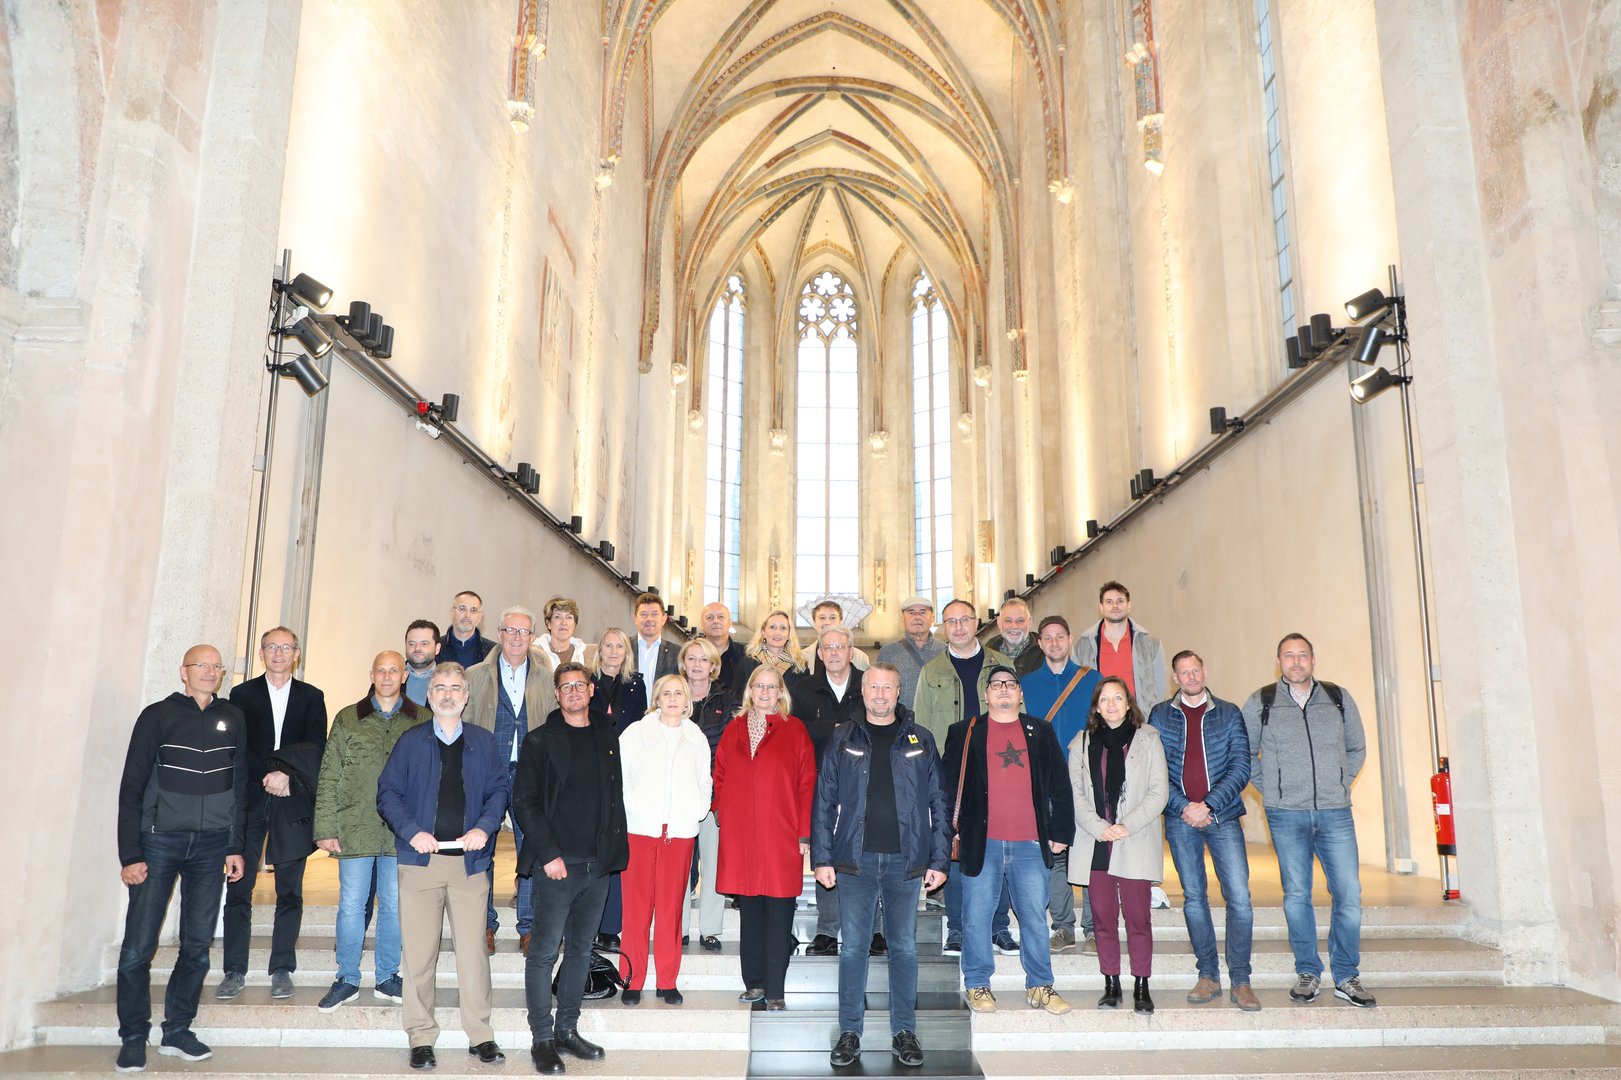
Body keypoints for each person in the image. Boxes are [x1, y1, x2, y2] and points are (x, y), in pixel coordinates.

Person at [113, 645, 247, 1073]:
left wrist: (235, 845)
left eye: (216, 666)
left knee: (197, 945)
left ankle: (177, 1030)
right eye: (200, 665)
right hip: (159, 842)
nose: (209, 672)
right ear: (183, 672)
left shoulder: (233, 717)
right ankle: (133, 1036)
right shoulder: (157, 716)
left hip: (212, 846)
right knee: (138, 946)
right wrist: (130, 853)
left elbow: (240, 785)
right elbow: (132, 785)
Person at [813, 664, 948, 1070]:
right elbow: (824, 800)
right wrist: (822, 857)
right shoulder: (843, 737)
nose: (880, 694)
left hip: (906, 863)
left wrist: (939, 858)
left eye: (888, 687)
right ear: (864, 690)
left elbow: (939, 802)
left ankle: (903, 1031)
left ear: (898, 691)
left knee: (903, 947)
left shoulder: (920, 738)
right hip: (855, 861)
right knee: (853, 948)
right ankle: (849, 1033)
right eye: (874, 687)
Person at [376, 662, 509, 1070]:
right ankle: (420, 1036)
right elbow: (388, 794)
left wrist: (485, 828)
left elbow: (499, 790)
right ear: (429, 696)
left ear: (466, 697)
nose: (448, 695)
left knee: (473, 954)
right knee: (419, 955)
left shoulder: (484, 742)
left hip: (469, 866)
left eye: (455, 688)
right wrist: (411, 831)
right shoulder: (410, 742)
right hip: (421, 865)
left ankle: (480, 1035)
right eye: (440, 688)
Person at [1242, 633, 1375, 1008]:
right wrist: (1272, 790)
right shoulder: (1262, 701)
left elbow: (1356, 747)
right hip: (1286, 814)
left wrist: (1341, 782)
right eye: (1289, 655)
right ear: (1278, 662)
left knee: (1349, 894)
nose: (1296, 662)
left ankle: (1346, 975)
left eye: (1303, 655)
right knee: (1297, 895)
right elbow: (1245, 752)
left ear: (1313, 660)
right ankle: (1308, 972)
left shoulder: (1337, 698)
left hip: (1335, 812)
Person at [513, 662, 630, 1074]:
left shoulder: (606, 735)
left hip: (598, 866)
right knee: (544, 953)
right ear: (557, 694)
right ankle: (542, 1038)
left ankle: (567, 1029)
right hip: (557, 867)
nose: (574, 692)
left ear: (591, 690)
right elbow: (524, 802)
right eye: (566, 687)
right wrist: (548, 855)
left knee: (580, 950)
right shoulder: (539, 740)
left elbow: (614, 797)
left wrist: (610, 856)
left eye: (580, 685)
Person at [944, 665, 1073, 1015]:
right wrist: (948, 832)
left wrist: (1061, 832)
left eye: (1010, 684)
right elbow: (946, 788)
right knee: (976, 917)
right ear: (986, 695)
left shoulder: (1041, 731)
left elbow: (1060, 786)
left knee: (1034, 917)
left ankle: (1040, 985)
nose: (1003, 689)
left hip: (1030, 843)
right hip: (981, 842)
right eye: (996, 684)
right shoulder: (964, 732)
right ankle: (977, 984)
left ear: (1020, 693)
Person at [217, 627, 329, 1003]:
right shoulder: (242, 695)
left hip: (292, 799)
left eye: (285, 647)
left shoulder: (312, 697)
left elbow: (316, 747)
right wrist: (267, 775)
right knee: (239, 887)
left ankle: (282, 968)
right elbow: (238, 746)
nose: (278, 653)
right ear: (261, 653)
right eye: (271, 647)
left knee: (290, 890)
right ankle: (234, 969)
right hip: (250, 798)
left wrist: (287, 776)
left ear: (296, 653)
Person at [312, 651, 422, 1011]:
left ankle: (388, 976)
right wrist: (325, 826)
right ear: (371, 675)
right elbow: (329, 774)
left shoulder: (421, 719)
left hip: (400, 831)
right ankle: (347, 977)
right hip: (354, 827)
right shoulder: (349, 718)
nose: (387, 676)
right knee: (351, 905)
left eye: (394, 670)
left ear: (404, 675)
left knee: (394, 905)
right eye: (381, 670)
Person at [1148, 651, 1259, 1011]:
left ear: (1204, 672)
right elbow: (1155, 770)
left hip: (1222, 816)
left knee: (1239, 897)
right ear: (1175, 678)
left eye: (1195, 670)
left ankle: (1241, 980)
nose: (1191, 677)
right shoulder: (1160, 715)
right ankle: (1208, 975)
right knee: (1195, 898)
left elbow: (1241, 765)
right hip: (1180, 820)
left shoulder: (1229, 713)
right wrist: (1184, 807)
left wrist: (1208, 805)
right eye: (1184, 673)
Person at [713, 665, 816, 1011]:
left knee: (779, 913)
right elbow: (720, 774)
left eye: (772, 687)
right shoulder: (734, 728)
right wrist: (721, 811)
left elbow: (806, 783)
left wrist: (804, 832)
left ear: (781, 692)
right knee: (751, 912)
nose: (765, 692)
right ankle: (754, 982)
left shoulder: (795, 729)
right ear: (750, 690)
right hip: (741, 834)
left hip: (781, 834)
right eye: (759, 686)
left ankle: (776, 990)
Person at [913, 599, 1012, 954]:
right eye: (951, 621)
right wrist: (927, 775)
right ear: (943, 627)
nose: (958, 627)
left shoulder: (1002, 664)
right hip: (950, 771)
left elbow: (1018, 713)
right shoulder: (931, 671)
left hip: (997, 767)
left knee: (1000, 846)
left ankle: (999, 926)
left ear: (976, 622)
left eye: (964, 619)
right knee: (952, 848)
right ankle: (956, 928)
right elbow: (922, 726)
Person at [1070, 676, 1169, 1014]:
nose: (1111, 704)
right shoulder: (1081, 743)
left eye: (1117, 698)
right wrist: (1101, 828)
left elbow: (1159, 791)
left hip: (1134, 838)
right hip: (1097, 841)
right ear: (1096, 707)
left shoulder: (1148, 739)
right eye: (1104, 699)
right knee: (1102, 916)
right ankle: (1111, 983)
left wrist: (1127, 825)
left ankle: (1141, 984)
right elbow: (1075, 793)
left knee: (1138, 916)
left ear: (1128, 704)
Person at [465, 605, 558, 955]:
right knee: (481, 849)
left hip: (531, 773)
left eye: (524, 632)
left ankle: (529, 927)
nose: (517, 638)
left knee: (531, 849)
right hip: (487, 772)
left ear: (532, 637)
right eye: (510, 631)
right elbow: (465, 724)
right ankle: (484, 925)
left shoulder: (547, 678)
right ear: (499, 633)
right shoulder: (475, 675)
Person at [619, 675, 712, 1005]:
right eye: (666, 693)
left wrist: (697, 810)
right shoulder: (636, 733)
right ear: (656, 699)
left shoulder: (696, 737)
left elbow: (704, 781)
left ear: (687, 700)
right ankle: (632, 980)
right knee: (636, 910)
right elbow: (622, 778)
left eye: (678, 694)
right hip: (641, 831)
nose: (672, 699)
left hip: (680, 833)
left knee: (671, 910)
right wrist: (634, 810)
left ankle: (667, 980)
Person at [1019, 615, 1099, 955]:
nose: (1054, 643)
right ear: (1040, 643)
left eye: (1060, 636)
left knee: (1090, 854)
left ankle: (1095, 929)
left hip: (1087, 779)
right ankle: (1063, 927)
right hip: (1046, 780)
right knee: (1055, 853)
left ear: (1069, 640)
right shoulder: (1026, 684)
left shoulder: (1092, 679)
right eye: (1048, 638)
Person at [795, 626, 868, 957]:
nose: (835, 652)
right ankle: (827, 929)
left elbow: (877, 722)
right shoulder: (803, 688)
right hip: (819, 780)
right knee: (825, 851)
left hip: (863, 781)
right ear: (819, 653)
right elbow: (796, 731)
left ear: (851, 651)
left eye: (841, 646)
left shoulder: (867, 684)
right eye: (828, 647)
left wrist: (826, 732)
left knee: (866, 853)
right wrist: (835, 730)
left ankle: (873, 929)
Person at [678, 637, 736, 952]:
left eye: (704, 659)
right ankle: (679, 927)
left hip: (714, 794)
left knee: (713, 863)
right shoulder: (672, 694)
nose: (697, 664)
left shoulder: (727, 700)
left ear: (713, 665)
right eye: (692, 658)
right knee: (680, 865)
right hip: (679, 796)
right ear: (683, 663)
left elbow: (730, 749)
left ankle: (710, 929)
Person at [1071, 581, 1167, 708]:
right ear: (1101, 608)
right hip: (1099, 718)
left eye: (1120, 601)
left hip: (1140, 717)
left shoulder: (1151, 644)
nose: (1115, 605)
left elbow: (1160, 688)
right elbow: (1076, 689)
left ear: (1129, 606)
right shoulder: (1082, 647)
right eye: (1109, 602)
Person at [875, 596, 944, 710]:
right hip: (900, 719)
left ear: (932, 618)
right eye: (911, 612)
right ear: (902, 618)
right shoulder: (888, 652)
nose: (917, 617)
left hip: (937, 718)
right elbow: (877, 690)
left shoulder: (945, 651)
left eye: (923, 612)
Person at [589, 626, 647, 733]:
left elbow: (640, 724)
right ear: (600, 650)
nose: (614, 651)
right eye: (608, 646)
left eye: (620, 646)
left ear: (626, 652)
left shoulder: (637, 684)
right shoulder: (587, 682)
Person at [738, 609, 810, 687]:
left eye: (783, 628)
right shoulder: (746, 663)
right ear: (763, 632)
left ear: (789, 634)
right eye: (772, 627)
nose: (777, 632)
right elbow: (738, 693)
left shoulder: (800, 666)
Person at [806, 598, 871, 672]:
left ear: (840, 622)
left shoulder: (860, 658)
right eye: (822, 618)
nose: (827, 622)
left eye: (833, 618)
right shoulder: (802, 657)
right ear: (814, 623)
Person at [986, 598, 1042, 678]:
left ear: (1029, 622)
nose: (1014, 626)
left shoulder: (1043, 653)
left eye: (1020, 620)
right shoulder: (988, 652)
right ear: (999, 623)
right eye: (1008, 621)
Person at [699, 601, 748, 691]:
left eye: (721, 617)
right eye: (709, 617)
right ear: (702, 624)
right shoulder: (691, 655)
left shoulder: (746, 655)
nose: (716, 621)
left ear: (730, 623)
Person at [440, 590, 496, 669]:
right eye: (462, 609)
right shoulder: (435, 649)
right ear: (452, 612)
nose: (467, 615)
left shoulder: (493, 652)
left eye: (473, 610)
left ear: (480, 617)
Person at [633, 591, 681, 683]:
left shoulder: (676, 653)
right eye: (643, 614)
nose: (649, 619)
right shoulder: (623, 648)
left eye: (655, 614)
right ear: (635, 618)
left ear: (664, 618)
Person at [536, 595, 591, 669]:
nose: (564, 622)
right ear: (548, 624)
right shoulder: (535, 653)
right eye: (558, 617)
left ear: (575, 625)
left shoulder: (586, 654)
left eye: (569, 617)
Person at [402, 620, 441, 707]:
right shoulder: (391, 676)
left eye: (424, 643)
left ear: (437, 648)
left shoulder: (448, 678)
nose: (417, 648)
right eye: (412, 644)